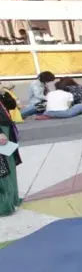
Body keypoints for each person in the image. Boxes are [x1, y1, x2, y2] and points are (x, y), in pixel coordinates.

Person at [0, 88, 21, 216]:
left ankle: (12, 199)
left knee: (10, 165)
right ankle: (5, 203)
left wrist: (4, 93)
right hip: (2, 132)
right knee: (3, 169)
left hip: (7, 130)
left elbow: (12, 106)